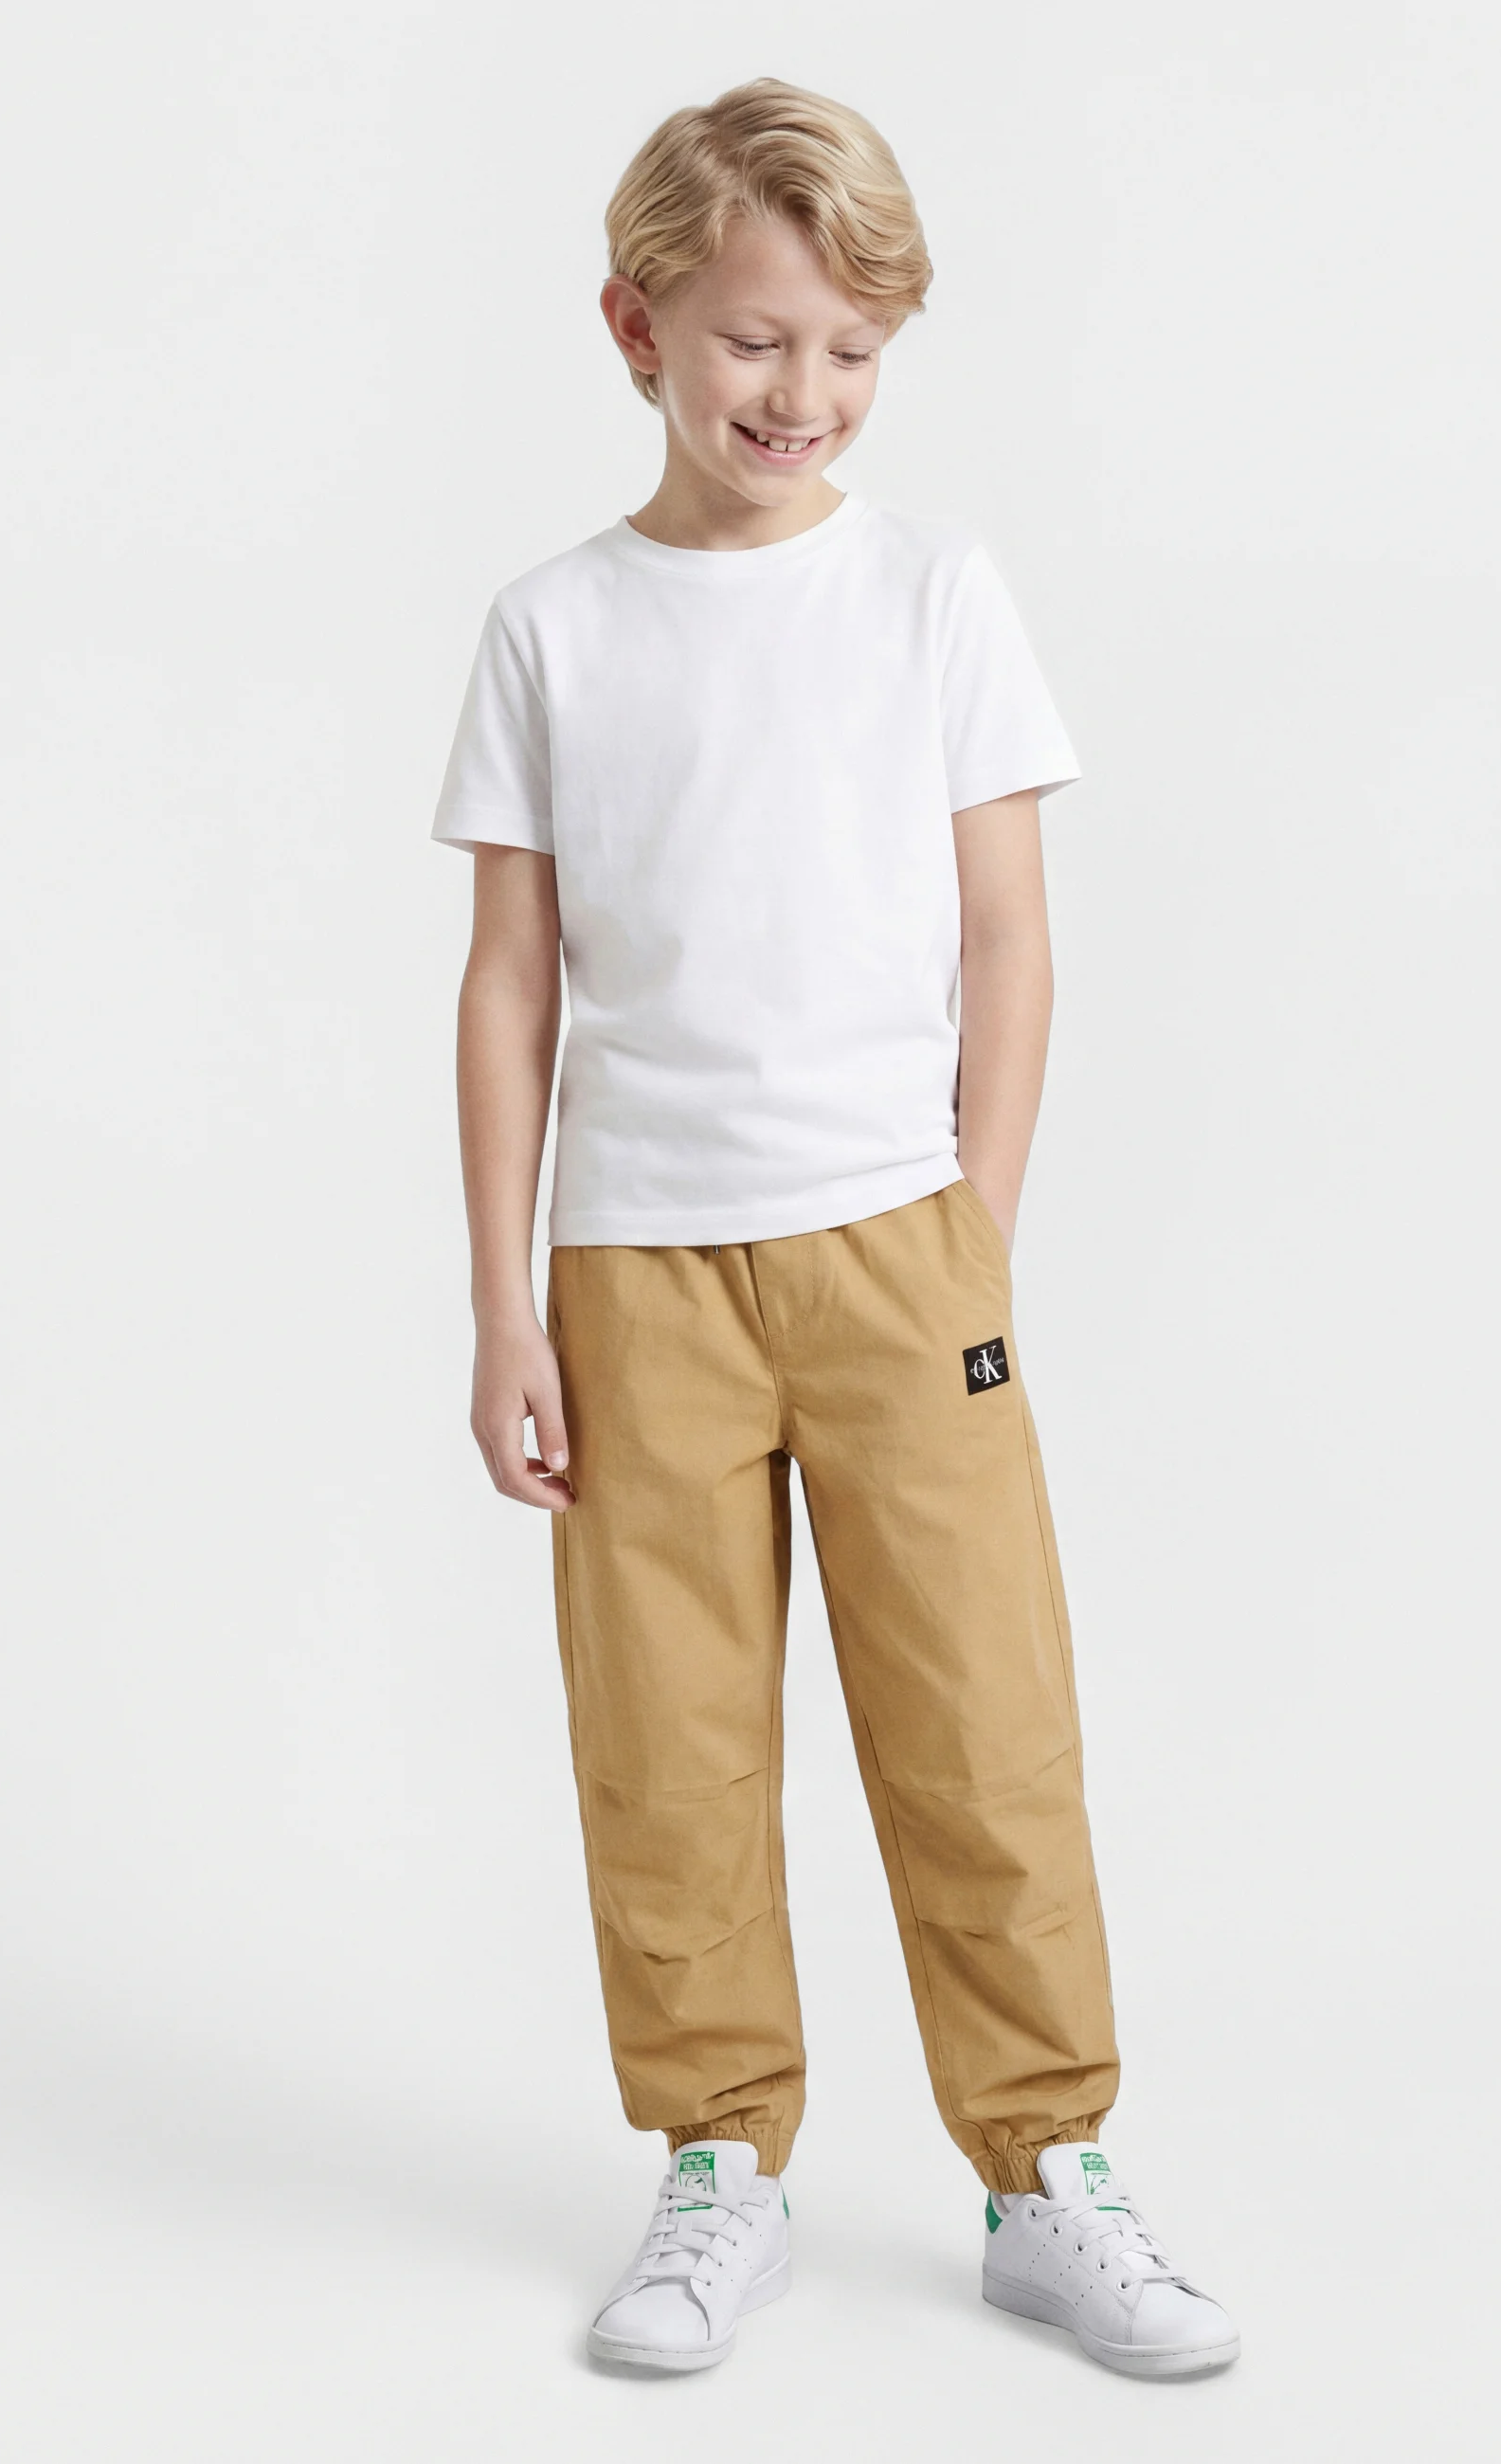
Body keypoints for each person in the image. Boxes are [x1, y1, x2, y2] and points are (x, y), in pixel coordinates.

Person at [433, 77, 1239, 2382]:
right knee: (667, 1741)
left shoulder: (932, 593)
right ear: (637, 327)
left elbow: (1012, 934)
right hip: (636, 1272)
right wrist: (503, 1309)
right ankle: (719, 2160)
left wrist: (975, 1230)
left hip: (900, 1253)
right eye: (756, 341)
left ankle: (1045, 2170)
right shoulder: (553, 628)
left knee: (983, 1722)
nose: (804, 393)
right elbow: (510, 986)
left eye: (853, 351)